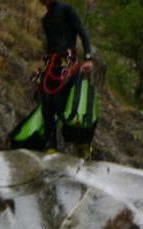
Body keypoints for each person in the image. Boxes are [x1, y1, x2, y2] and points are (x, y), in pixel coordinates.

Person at [36, 0, 94, 155]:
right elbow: (50, 46)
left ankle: (81, 144)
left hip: (69, 64)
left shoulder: (66, 9)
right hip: (52, 66)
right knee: (46, 102)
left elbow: (82, 32)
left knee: (59, 104)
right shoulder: (45, 19)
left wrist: (88, 58)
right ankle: (51, 145)